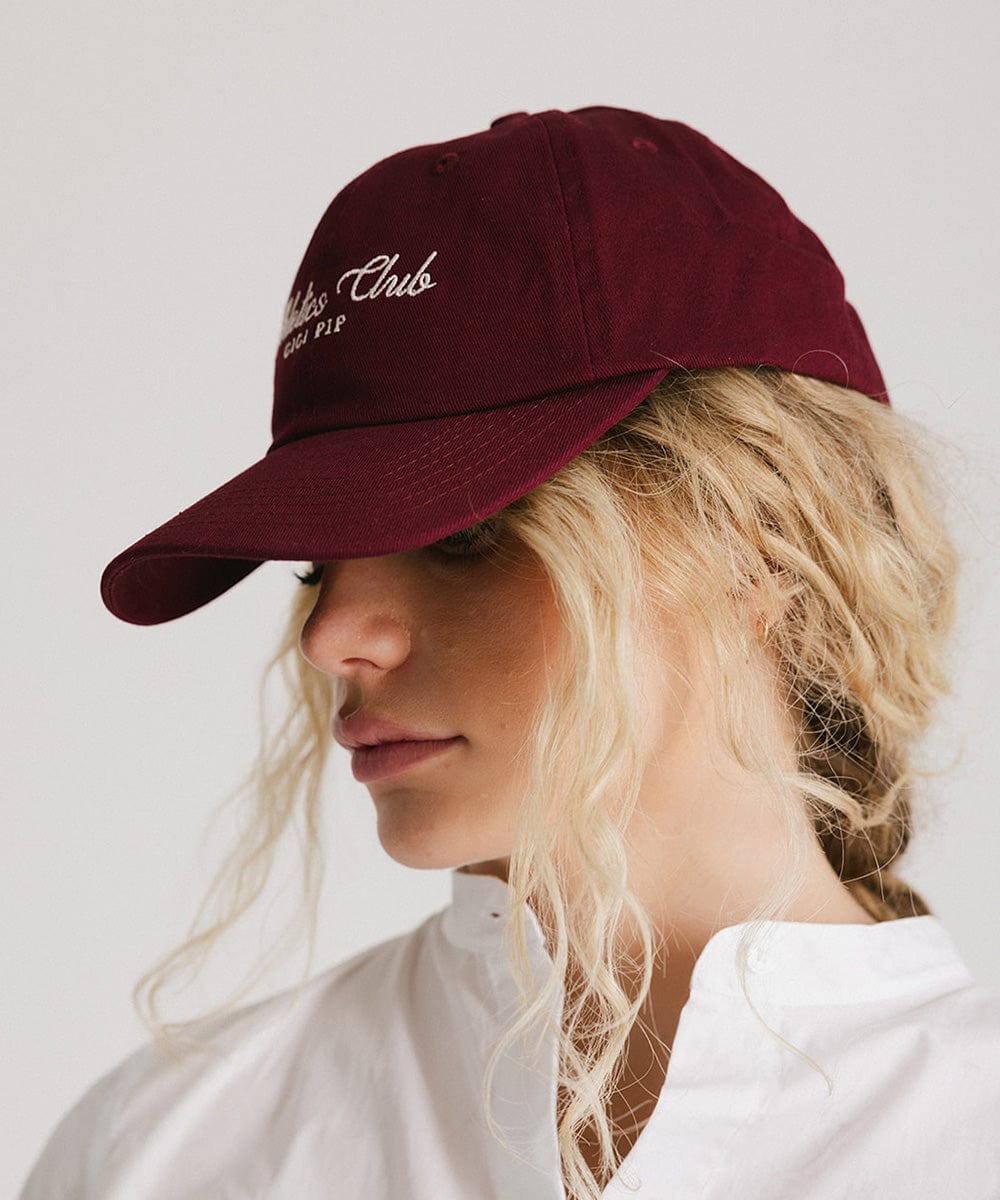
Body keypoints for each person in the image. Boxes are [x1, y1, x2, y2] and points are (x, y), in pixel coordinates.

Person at [19, 107, 1000, 1200]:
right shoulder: (162, 1153)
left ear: (760, 540)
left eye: (463, 535)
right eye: (313, 564)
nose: (332, 638)